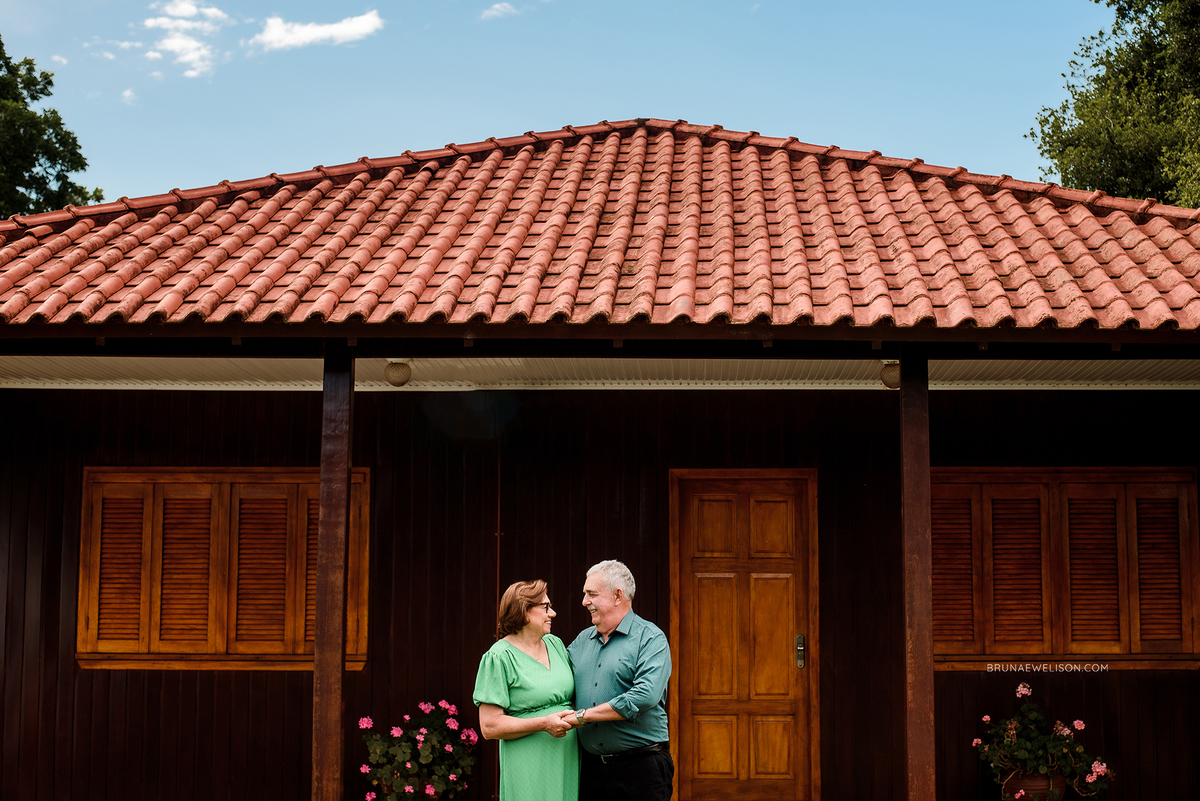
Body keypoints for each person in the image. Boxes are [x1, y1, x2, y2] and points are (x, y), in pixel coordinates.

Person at [566, 560, 673, 801]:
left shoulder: (651, 638)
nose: (584, 601)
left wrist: (583, 716)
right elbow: (557, 681)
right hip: (591, 770)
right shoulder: (582, 641)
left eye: (591, 594)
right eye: (585, 594)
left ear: (617, 596)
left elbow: (644, 696)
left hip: (642, 769)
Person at [473, 580, 580, 801]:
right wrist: (543, 724)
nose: (553, 613)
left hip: (565, 757)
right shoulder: (499, 657)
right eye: (545, 607)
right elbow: (489, 726)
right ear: (524, 611)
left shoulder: (555, 644)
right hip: (527, 759)